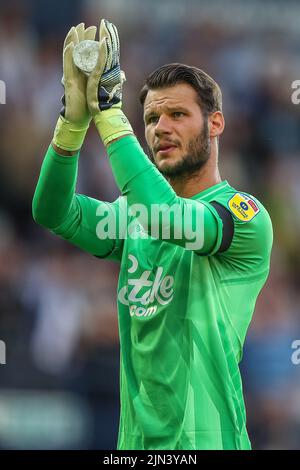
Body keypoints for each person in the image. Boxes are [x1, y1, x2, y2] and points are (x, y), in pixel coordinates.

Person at [32, 19, 273, 450]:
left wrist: (109, 113)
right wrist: (72, 122)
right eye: (150, 118)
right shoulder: (132, 217)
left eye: (178, 115)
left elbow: (166, 217)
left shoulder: (243, 215)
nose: (160, 127)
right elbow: (52, 211)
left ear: (215, 124)